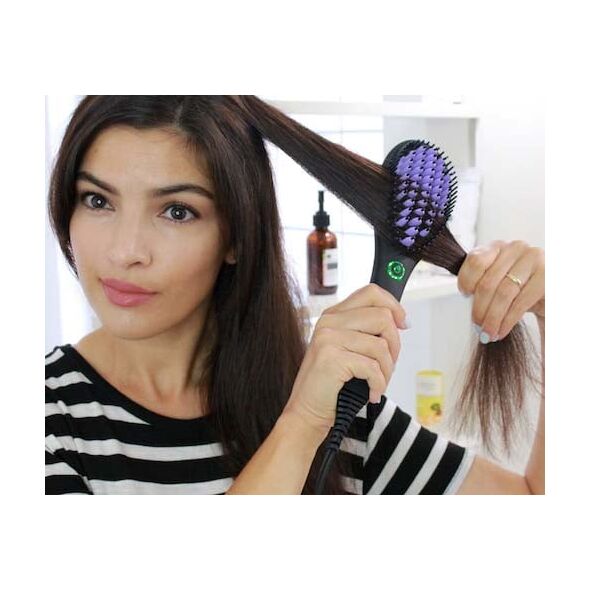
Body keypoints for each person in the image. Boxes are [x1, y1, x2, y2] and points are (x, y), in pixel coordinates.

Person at [45, 96, 544, 494]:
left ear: (238, 236)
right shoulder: (49, 417)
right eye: (97, 200)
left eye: (177, 211)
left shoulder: (329, 400)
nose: (126, 251)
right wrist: (301, 425)